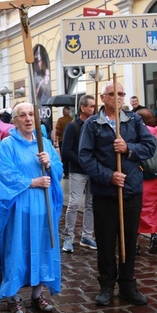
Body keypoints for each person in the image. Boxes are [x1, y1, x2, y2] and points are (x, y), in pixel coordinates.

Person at [78, 82, 156, 307]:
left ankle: (128, 284)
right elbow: (85, 157)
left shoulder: (134, 120)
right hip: (105, 192)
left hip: (131, 189)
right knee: (105, 240)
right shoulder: (93, 124)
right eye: (113, 94)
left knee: (130, 240)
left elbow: (150, 147)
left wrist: (129, 149)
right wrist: (108, 175)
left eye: (121, 93)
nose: (118, 97)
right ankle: (106, 285)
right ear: (103, 98)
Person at [0, 102, 63, 313]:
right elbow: (4, 174)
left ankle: (38, 294)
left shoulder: (45, 144)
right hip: (20, 206)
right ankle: (13, 297)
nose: (29, 119)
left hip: (43, 206)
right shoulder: (8, 144)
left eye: (32, 114)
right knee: (17, 248)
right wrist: (32, 182)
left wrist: (50, 164)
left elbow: (58, 171)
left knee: (42, 247)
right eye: (23, 115)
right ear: (15, 120)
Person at [60, 95, 98, 253]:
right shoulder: (73, 126)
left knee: (91, 204)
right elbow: (66, 150)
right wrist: (82, 162)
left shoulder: (95, 124)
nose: (93, 109)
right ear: (82, 108)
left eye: (94, 106)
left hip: (93, 171)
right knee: (74, 203)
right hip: (78, 171)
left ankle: (87, 235)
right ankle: (68, 237)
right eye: (91, 106)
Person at [135, 108, 157, 254]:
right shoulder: (156, 134)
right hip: (156, 176)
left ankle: (136, 244)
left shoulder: (139, 134)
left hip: (141, 174)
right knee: (153, 208)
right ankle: (154, 234)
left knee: (138, 207)